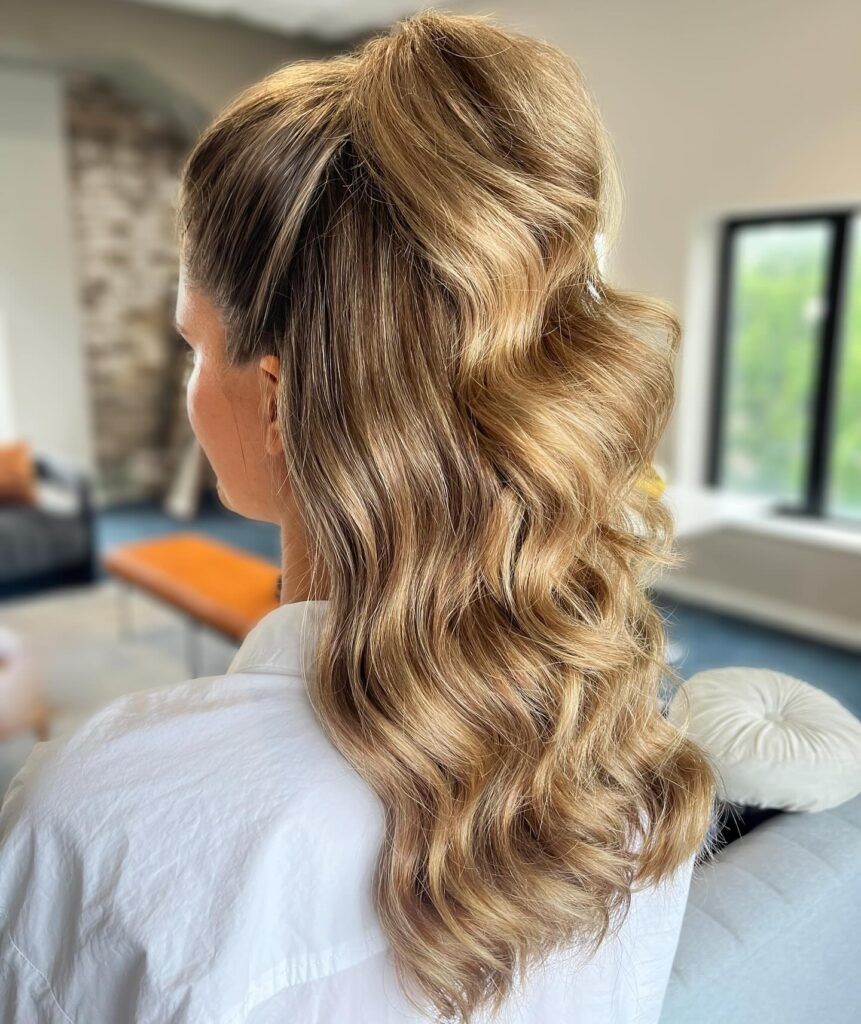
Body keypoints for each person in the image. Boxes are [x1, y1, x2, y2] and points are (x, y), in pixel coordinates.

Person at [0, 9, 717, 1022]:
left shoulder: (99, 822)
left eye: (193, 344)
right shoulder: (634, 760)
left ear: (277, 393)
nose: (189, 388)